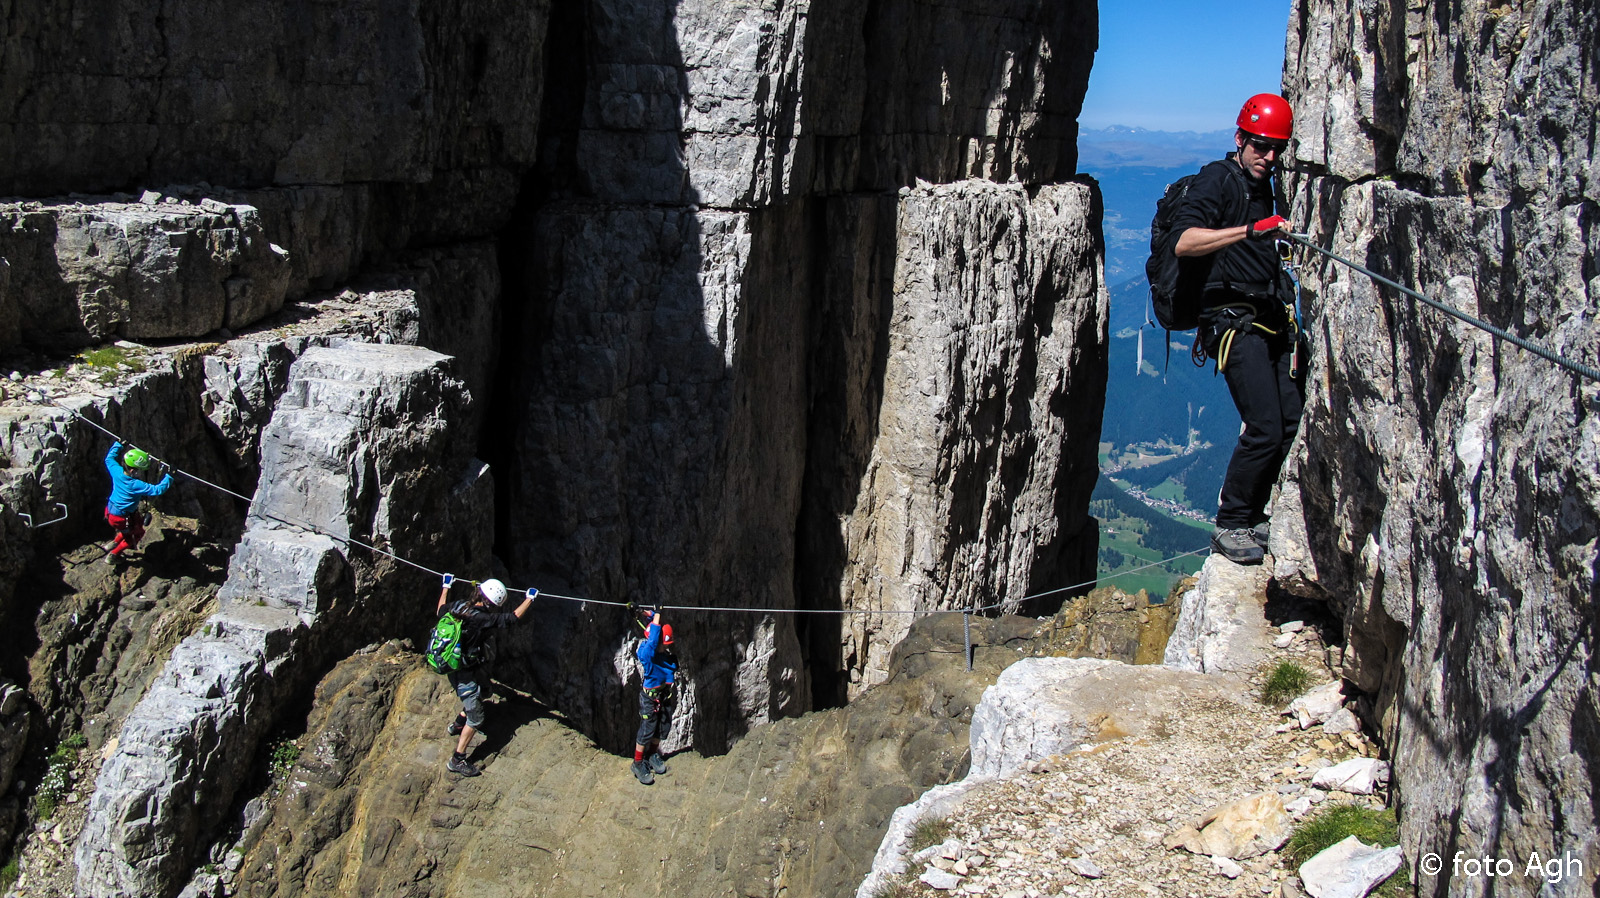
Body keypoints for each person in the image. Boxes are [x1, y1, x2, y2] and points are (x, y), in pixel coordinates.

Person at [1171, 92, 1304, 565]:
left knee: (1289, 422)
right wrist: (1251, 231)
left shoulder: (1268, 183)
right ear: (1240, 138)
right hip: (1231, 322)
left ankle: (1252, 512)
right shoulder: (1218, 181)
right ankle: (1231, 523)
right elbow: (1185, 243)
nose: (1268, 157)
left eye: (1276, 149)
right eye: (1260, 146)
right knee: (1265, 426)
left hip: (1268, 318)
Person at [435, 574, 535, 777]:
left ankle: (457, 724)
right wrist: (530, 599)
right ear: (492, 604)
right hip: (464, 672)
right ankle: (458, 759)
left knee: (484, 690)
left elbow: (439, 611)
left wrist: (446, 586)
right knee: (477, 717)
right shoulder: (482, 619)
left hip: (450, 665)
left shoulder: (460, 606)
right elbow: (512, 618)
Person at [104, 440, 173, 561]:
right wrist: (169, 476)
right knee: (136, 535)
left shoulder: (117, 472)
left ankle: (113, 543)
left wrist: (118, 445)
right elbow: (157, 490)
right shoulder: (135, 484)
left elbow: (109, 459)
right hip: (122, 517)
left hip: (111, 511)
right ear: (132, 471)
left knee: (129, 528)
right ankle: (113, 555)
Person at [631, 610, 677, 785]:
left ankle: (651, 755)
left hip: (663, 695)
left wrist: (648, 613)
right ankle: (637, 762)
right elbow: (653, 639)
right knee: (647, 729)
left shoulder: (661, 654)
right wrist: (657, 615)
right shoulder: (647, 654)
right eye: (663, 645)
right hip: (650, 699)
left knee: (661, 727)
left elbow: (655, 632)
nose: (666, 648)